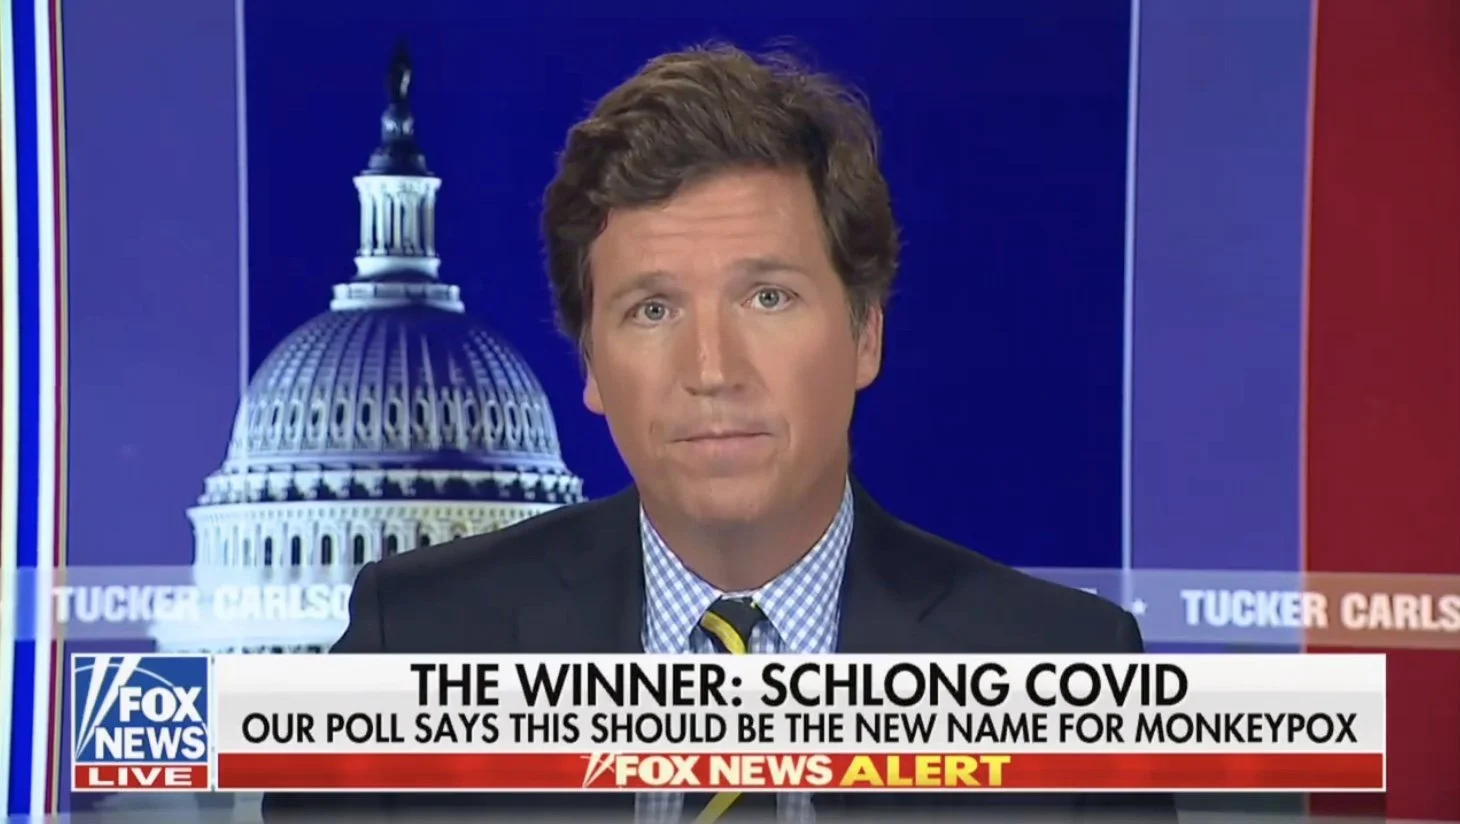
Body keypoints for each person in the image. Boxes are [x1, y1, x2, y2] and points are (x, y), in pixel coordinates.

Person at [263, 42, 1176, 823]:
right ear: (590, 365)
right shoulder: (410, 646)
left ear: (866, 335)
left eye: (767, 297)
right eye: (653, 309)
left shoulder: (1066, 672)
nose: (711, 368)